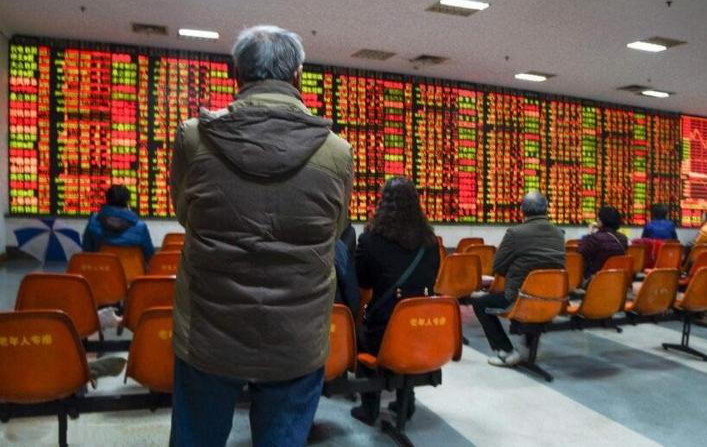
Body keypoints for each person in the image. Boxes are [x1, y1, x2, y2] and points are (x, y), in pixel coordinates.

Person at [168, 25, 353, 447]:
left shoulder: (193, 137)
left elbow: (185, 214)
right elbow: (337, 228)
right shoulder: (337, 151)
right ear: (297, 76)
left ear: (236, 74)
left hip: (209, 332)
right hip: (297, 337)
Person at [351, 177, 440, 425]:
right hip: (425, 331)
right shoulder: (430, 242)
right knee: (404, 333)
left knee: (359, 334)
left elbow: (363, 282)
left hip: (385, 333)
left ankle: (369, 407)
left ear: (383, 203)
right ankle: (405, 402)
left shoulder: (370, 240)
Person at [472, 191, 565, 367]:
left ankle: (506, 351)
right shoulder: (559, 234)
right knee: (530, 294)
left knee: (479, 303)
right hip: (552, 298)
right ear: (546, 209)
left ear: (522, 210)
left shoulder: (515, 233)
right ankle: (527, 347)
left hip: (520, 296)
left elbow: (498, 267)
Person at [82, 184, 154, 261]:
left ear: (106, 200)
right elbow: (150, 257)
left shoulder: (93, 223)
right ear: (127, 203)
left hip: (103, 268)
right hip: (132, 269)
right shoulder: (140, 228)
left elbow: (86, 253)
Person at [578, 206, 629, 280]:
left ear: (601, 221)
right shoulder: (623, 238)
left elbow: (581, 251)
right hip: (617, 279)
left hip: (596, 279)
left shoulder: (595, 238)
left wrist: (589, 233)